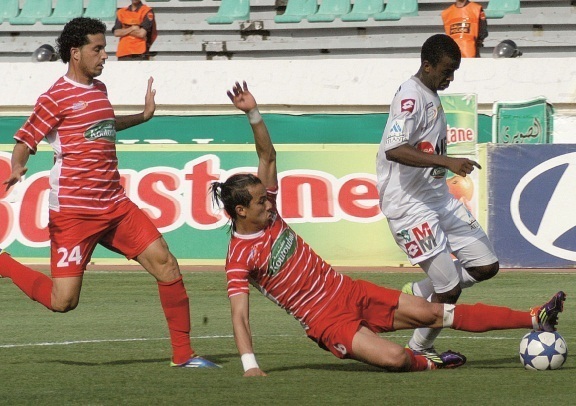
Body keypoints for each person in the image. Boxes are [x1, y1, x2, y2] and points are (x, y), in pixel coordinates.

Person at [211, 81, 566, 376]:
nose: (270, 203)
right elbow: (239, 315)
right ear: (240, 210)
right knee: (395, 359)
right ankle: (427, 361)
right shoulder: (239, 258)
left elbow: (268, 156)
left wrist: (253, 113)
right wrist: (249, 365)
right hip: (325, 321)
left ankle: (534, 316)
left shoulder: (270, 214)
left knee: (435, 312)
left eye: (266, 198)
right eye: (260, 202)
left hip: (347, 291)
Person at [1, 17, 217, 369]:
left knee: (166, 264)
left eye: (105, 49)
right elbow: (25, 139)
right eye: (97, 49)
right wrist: (16, 166)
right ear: (75, 53)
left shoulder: (98, 91)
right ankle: (5, 264)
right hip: (74, 213)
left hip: (115, 205)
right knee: (63, 302)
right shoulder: (55, 97)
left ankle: (184, 356)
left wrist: (142, 117)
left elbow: (104, 123)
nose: (105, 56)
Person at [376, 34, 503, 364]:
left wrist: (446, 162)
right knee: (449, 291)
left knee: (486, 265)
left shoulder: (429, 93)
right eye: (447, 71)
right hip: (409, 205)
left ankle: (420, 292)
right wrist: (447, 162)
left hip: (436, 198)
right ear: (427, 65)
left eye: (454, 72)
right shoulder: (410, 97)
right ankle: (418, 350)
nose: (450, 78)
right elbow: (395, 149)